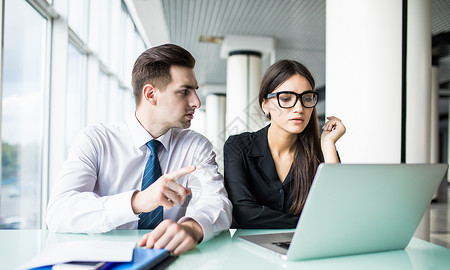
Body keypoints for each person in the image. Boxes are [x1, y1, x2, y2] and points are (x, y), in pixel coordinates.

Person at [47, 44, 232, 255]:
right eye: (184, 92)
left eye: (195, 91)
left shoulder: (196, 146)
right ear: (151, 94)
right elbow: (59, 213)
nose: (196, 102)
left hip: (169, 261)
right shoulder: (95, 140)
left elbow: (217, 202)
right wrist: (138, 201)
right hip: (103, 261)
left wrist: (192, 227)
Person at [224, 60, 345, 229]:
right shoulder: (238, 147)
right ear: (265, 105)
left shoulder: (321, 152)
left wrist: (328, 144)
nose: (299, 108)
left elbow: (339, 212)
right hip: (248, 249)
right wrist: (311, 222)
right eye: (286, 99)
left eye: (307, 98)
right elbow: (244, 213)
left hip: (304, 246)